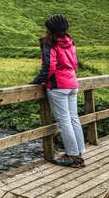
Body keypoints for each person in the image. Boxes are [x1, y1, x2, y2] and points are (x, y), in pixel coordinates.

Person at [29, 14, 86, 168]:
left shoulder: (50, 42)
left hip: (58, 85)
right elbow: (74, 64)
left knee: (64, 121)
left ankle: (72, 156)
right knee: (74, 118)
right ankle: (79, 153)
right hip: (72, 83)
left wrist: (35, 82)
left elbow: (49, 67)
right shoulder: (69, 40)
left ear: (50, 29)